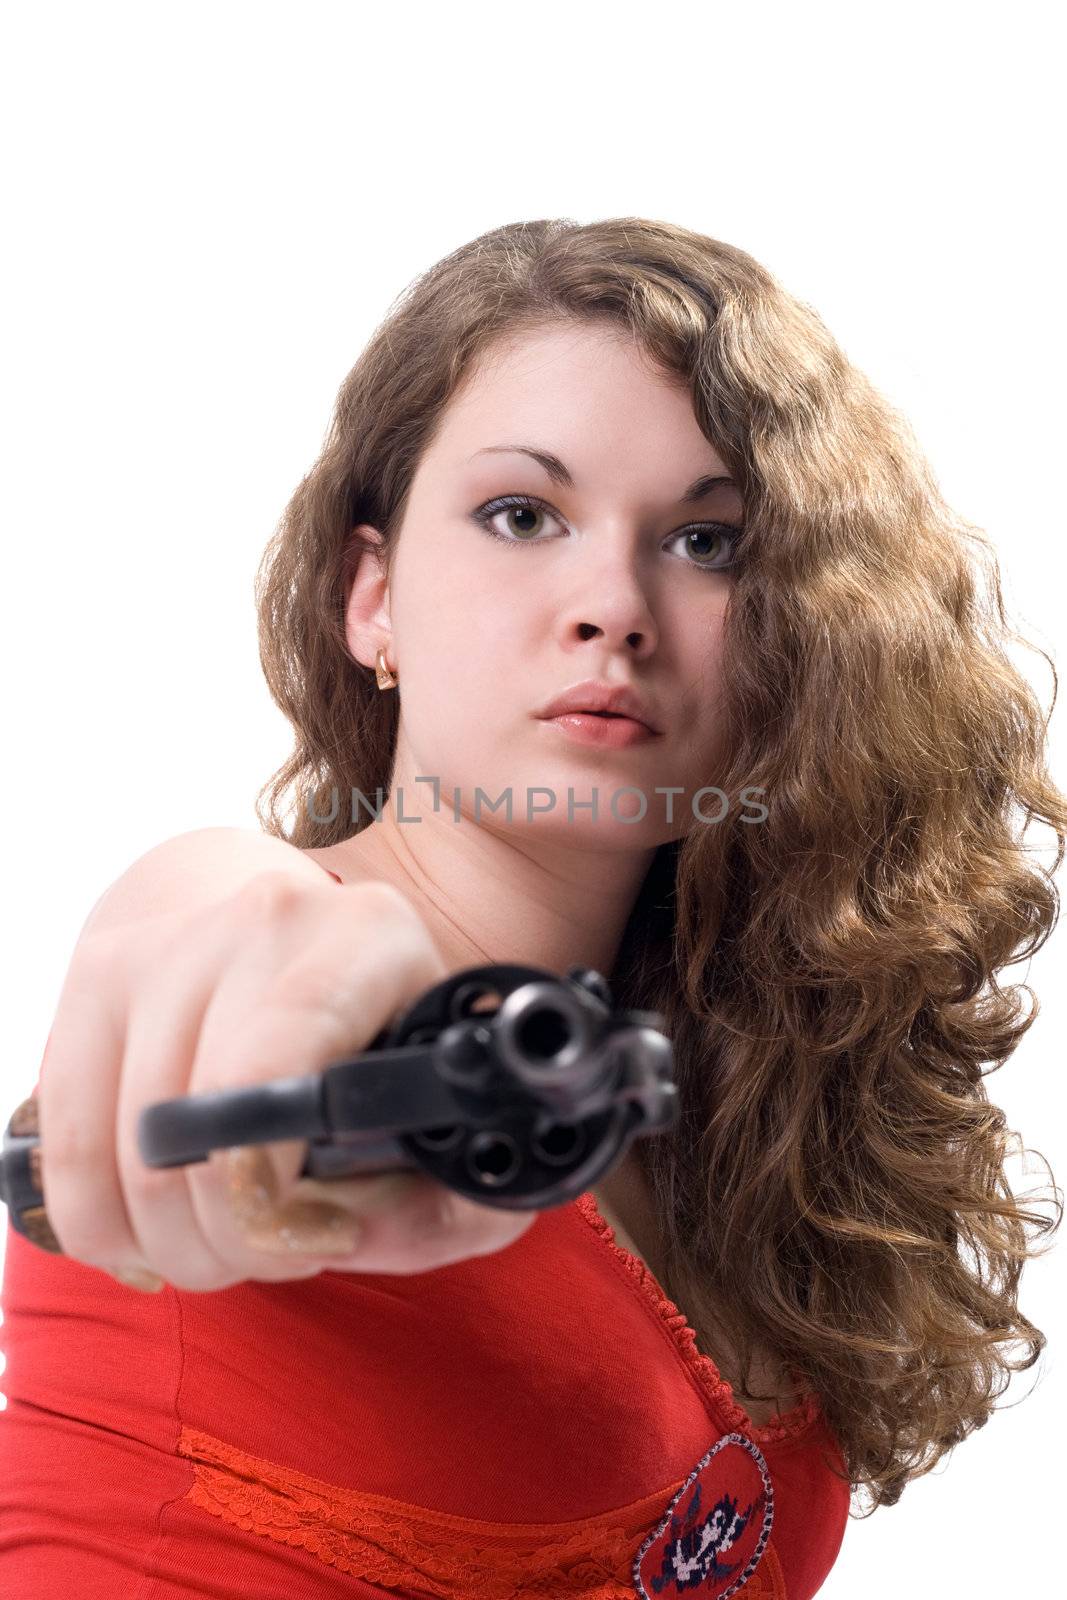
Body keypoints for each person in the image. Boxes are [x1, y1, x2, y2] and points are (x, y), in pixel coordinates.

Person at [1, 216, 1062, 1597]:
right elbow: (217, 934)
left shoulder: (721, 1098)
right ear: (370, 597)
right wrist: (219, 991)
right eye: (522, 515)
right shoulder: (267, 930)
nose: (613, 605)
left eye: (706, 542)